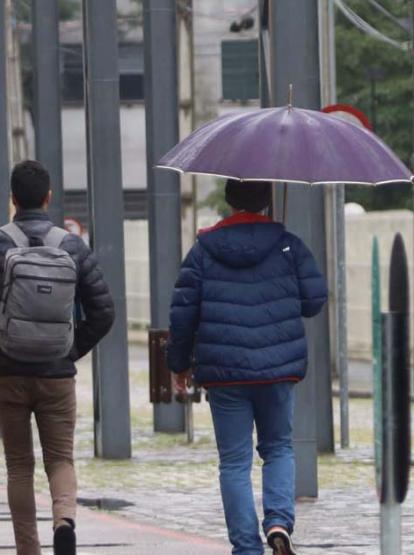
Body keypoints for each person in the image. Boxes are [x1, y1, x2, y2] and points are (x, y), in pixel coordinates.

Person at [0, 160, 114, 555]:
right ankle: (64, 521)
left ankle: (28, 549)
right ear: (48, 197)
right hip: (57, 375)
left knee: (19, 466)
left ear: (13, 198)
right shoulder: (72, 246)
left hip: (9, 372)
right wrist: (71, 350)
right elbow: (104, 312)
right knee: (61, 459)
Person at [167, 179, 328, 555]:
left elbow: (183, 313)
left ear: (229, 200)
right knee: (278, 449)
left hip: (225, 373)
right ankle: (278, 522)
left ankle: (246, 547)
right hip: (277, 369)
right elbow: (314, 300)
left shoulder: (204, 250)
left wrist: (178, 363)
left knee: (235, 462)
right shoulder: (288, 245)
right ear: (268, 199)